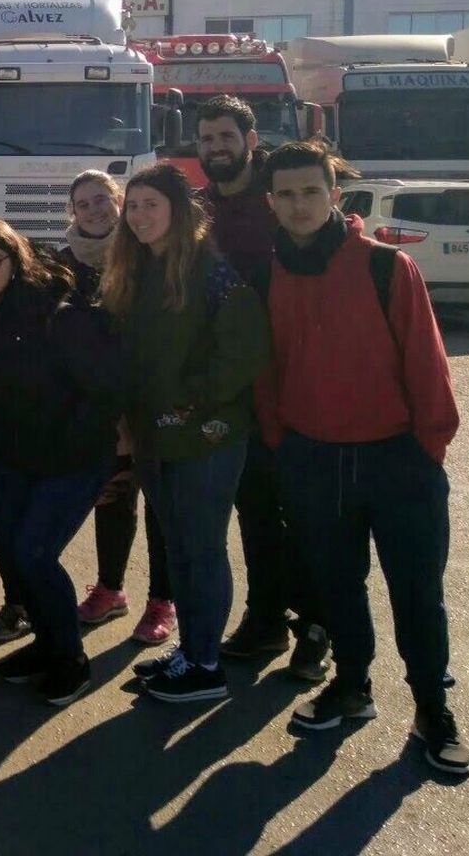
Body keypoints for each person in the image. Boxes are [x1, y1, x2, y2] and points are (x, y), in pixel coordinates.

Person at [260, 142, 469, 774]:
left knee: (417, 593)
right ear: (270, 202)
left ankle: (432, 710)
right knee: (337, 589)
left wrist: (425, 450)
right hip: (312, 461)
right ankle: (352, 687)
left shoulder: (386, 267)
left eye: (310, 192)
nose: (299, 205)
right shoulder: (266, 271)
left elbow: (427, 367)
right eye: (286, 194)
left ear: (334, 196)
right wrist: (285, 444)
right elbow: (266, 370)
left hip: (397, 462)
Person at [102, 163, 270, 703]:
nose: (140, 215)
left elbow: (247, 348)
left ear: (178, 209)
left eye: (151, 203)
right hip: (156, 439)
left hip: (207, 437)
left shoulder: (209, 270)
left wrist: (190, 397)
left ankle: (205, 665)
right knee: (178, 548)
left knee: (201, 547)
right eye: (133, 205)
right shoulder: (135, 269)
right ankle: (192, 650)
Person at [0, 219, 126, 707]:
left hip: (72, 460)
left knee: (33, 552)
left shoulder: (57, 314)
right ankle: (45, 643)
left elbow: (106, 385)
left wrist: (91, 446)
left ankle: (70, 658)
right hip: (16, 457)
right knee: (8, 548)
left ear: (15, 261)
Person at [196, 96, 329, 679]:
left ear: (250, 141)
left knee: (306, 513)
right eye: (206, 139)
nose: (215, 147)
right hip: (236, 389)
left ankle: (317, 626)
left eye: (225, 136)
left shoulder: (279, 203)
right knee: (253, 509)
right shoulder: (198, 209)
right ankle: (267, 618)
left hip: (296, 383)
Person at [58, 171, 177, 647]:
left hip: (152, 397)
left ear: (119, 202)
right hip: (101, 404)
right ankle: (110, 590)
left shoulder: (146, 253)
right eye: (82, 204)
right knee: (114, 497)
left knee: (159, 505)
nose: (93, 211)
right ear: (73, 211)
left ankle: (162, 601)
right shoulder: (62, 263)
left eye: (101, 201)